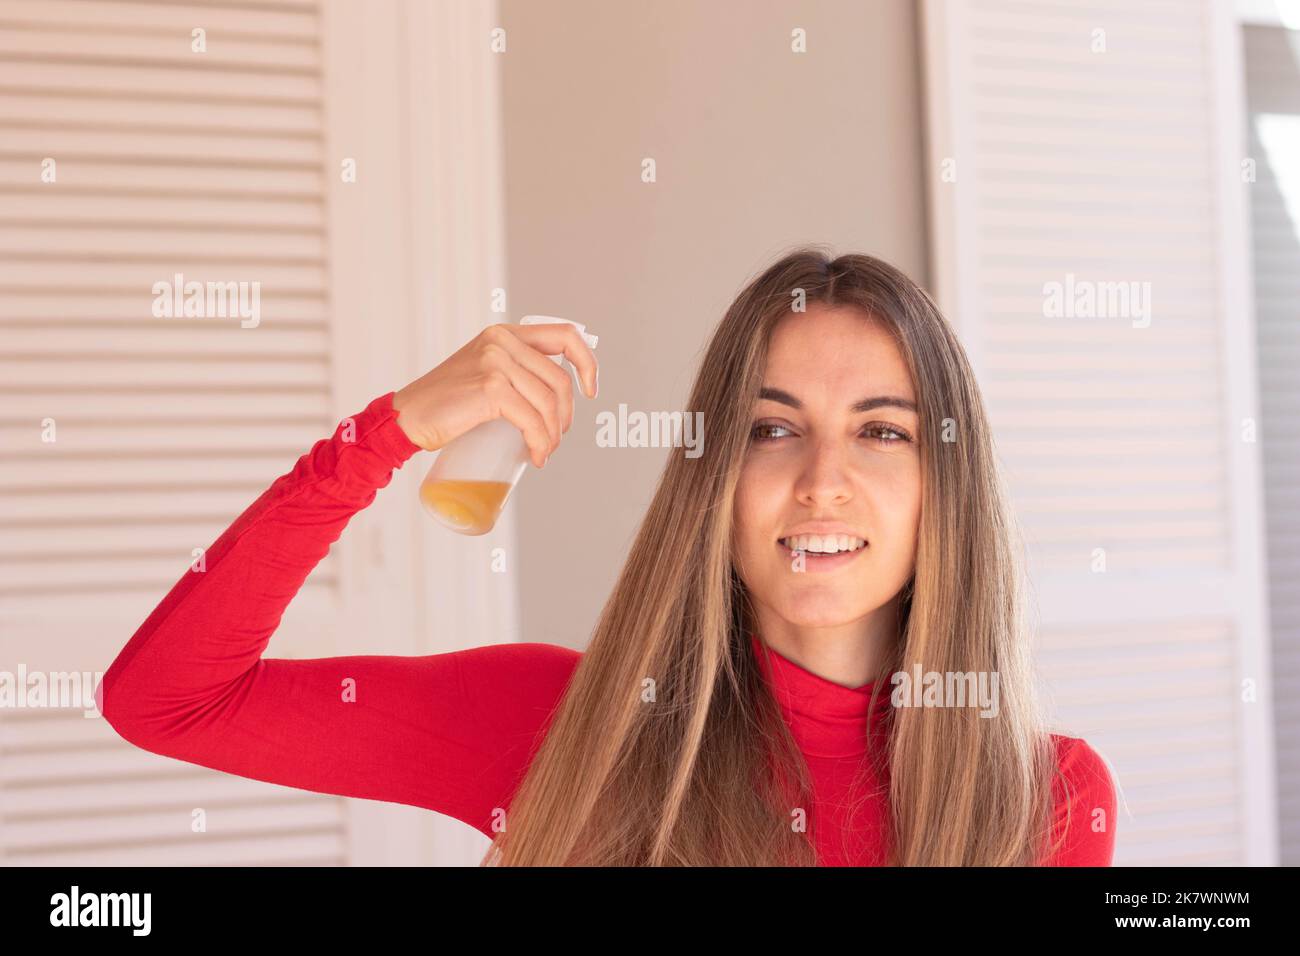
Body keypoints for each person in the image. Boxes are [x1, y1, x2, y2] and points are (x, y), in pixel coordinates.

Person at [99, 247, 1117, 866]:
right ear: (709, 480)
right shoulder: (566, 730)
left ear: (950, 486)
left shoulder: (1046, 803)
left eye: (881, 431)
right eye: (770, 428)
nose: (821, 480)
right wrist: (387, 433)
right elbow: (168, 698)